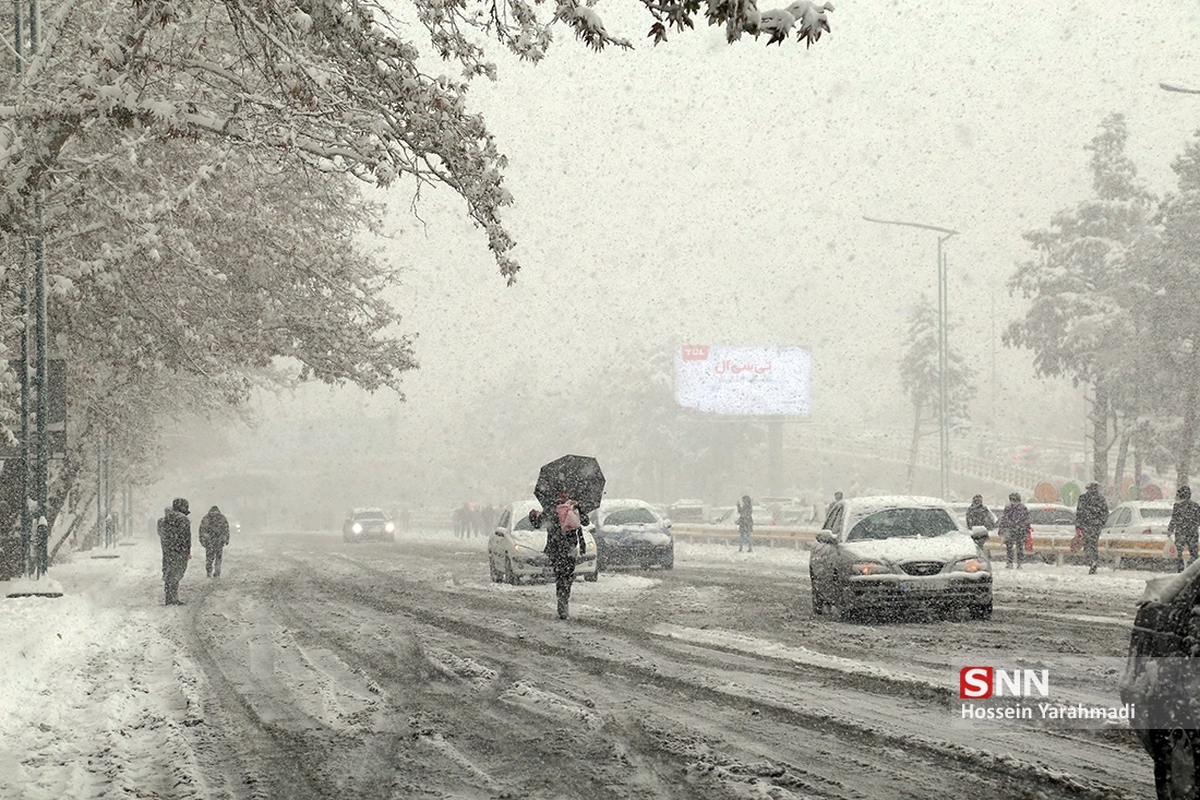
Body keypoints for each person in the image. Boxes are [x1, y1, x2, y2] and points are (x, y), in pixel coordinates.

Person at [530, 490, 588, 620]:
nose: (563, 495)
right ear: (556, 495)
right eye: (561, 493)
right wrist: (532, 516)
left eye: (565, 493)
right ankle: (562, 603)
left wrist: (579, 508)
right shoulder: (551, 509)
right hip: (556, 549)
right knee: (561, 576)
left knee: (568, 576)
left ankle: (564, 599)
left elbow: (585, 522)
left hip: (570, 548)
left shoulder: (573, 507)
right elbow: (538, 524)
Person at [158, 498, 192, 605]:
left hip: (167, 551)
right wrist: (187, 551)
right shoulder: (183, 520)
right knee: (177, 574)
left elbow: (161, 534)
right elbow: (186, 537)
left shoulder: (163, 520)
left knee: (168, 573)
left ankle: (168, 598)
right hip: (179, 551)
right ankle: (174, 598)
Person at [1075, 481, 1109, 575]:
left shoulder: (1083, 498)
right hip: (1096, 526)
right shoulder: (1101, 499)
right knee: (1094, 543)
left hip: (1085, 526)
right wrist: (1100, 523)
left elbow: (1079, 513)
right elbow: (1105, 513)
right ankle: (1094, 560)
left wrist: (1078, 527)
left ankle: (1091, 560)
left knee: (1087, 543)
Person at [1169, 484, 1200, 573]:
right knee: (1194, 553)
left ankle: (1180, 569)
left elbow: (1174, 519)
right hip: (1192, 532)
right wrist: (1193, 525)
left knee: (1178, 553)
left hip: (1181, 532)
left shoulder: (1178, 506)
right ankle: (1194, 570)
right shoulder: (1195, 505)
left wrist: (1170, 530)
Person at [998, 492, 1030, 569]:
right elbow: (1026, 520)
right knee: (1020, 547)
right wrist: (1027, 530)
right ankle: (1019, 563)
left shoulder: (1008, 507)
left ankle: (1010, 562)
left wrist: (1001, 530)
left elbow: (1004, 520)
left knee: (1009, 547)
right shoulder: (1023, 508)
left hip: (1010, 530)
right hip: (1020, 530)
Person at [198, 505, 231, 578]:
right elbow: (226, 529)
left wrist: (202, 540)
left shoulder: (206, 518)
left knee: (209, 558)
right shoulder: (222, 518)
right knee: (218, 557)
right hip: (219, 541)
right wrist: (226, 539)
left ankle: (209, 571)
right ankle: (217, 571)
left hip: (209, 541)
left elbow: (202, 530)